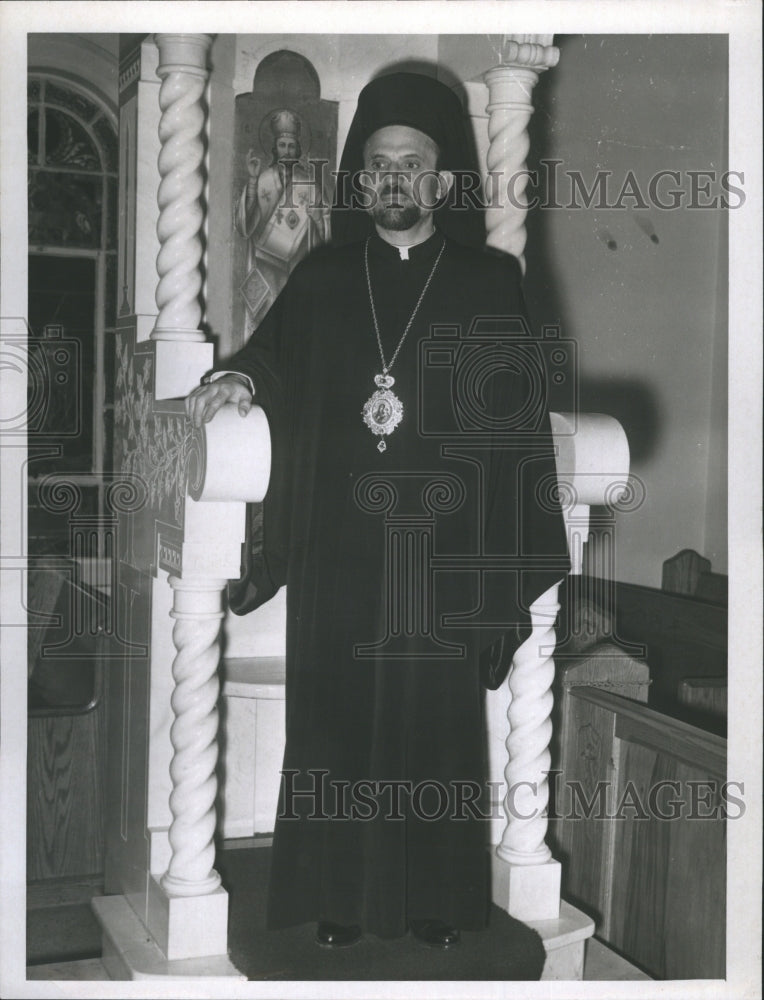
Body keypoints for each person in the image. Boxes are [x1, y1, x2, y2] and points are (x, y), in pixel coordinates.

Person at [187, 72, 568, 950]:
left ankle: (437, 900)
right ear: (362, 181)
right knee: (336, 721)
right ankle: (338, 902)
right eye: (379, 165)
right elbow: (272, 358)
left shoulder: (485, 280)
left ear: (440, 182)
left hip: (437, 553)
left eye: (413, 165)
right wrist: (242, 375)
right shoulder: (324, 275)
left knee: (431, 727)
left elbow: (514, 421)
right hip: (340, 551)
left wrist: (494, 560)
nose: (394, 180)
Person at [235, 108, 330, 336]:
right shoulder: (262, 179)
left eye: (291, 146)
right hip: (267, 265)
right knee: (268, 325)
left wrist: (319, 221)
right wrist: (252, 180)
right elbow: (244, 224)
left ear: (298, 149)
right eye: (282, 146)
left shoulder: (310, 184)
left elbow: (328, 228)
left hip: (299, 265)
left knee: (297, 325)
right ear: (274, 149)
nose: (286, 151)